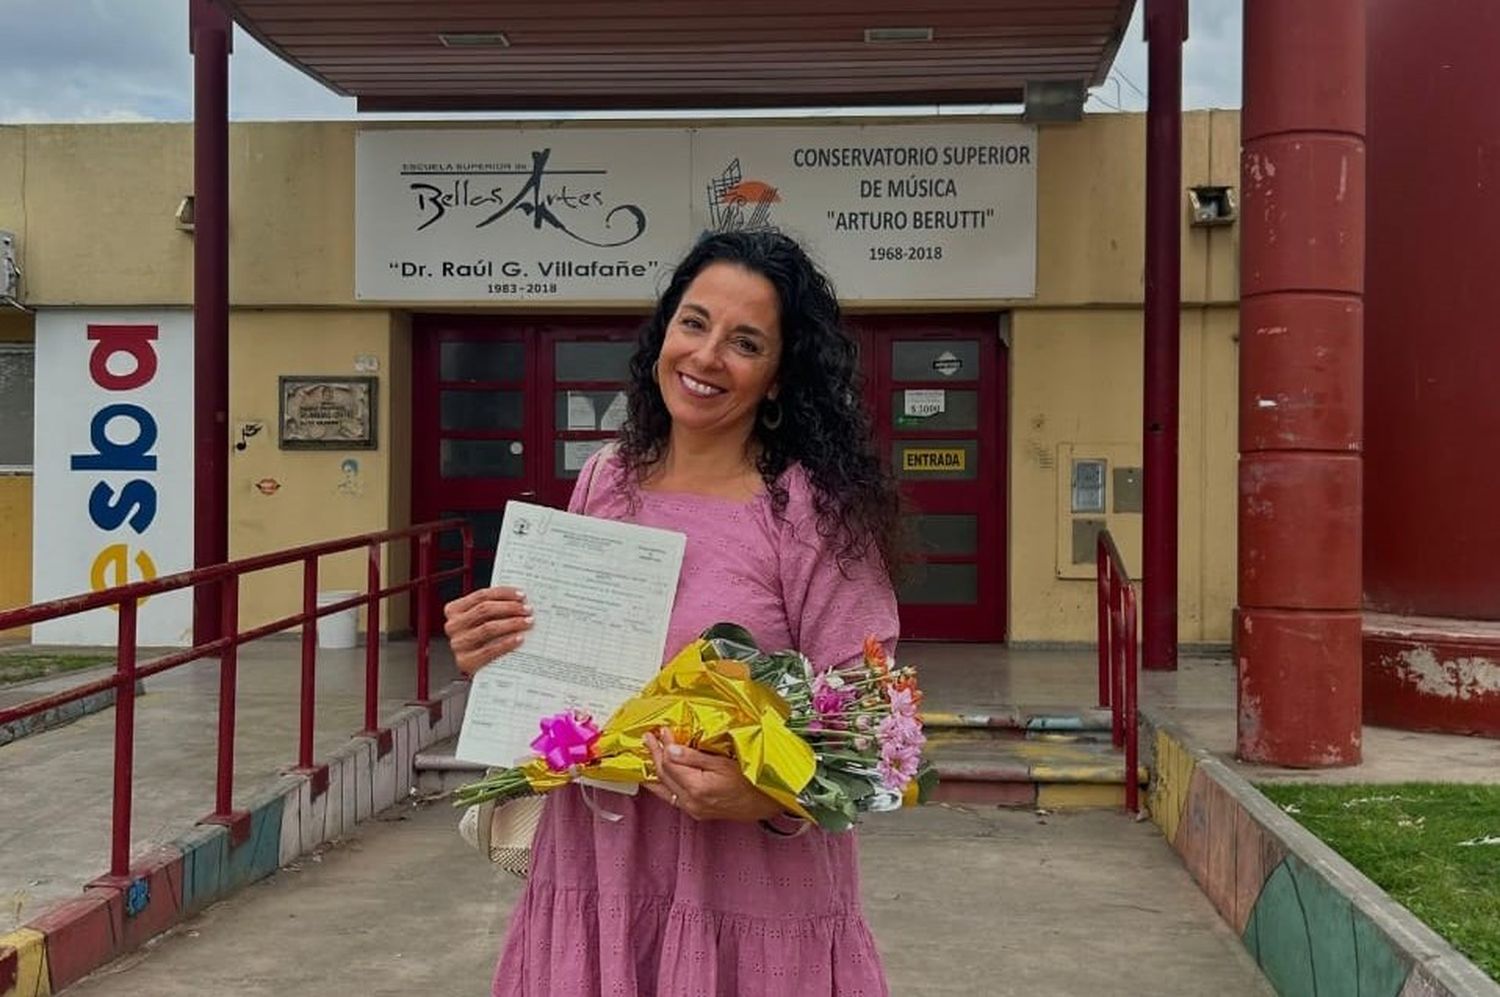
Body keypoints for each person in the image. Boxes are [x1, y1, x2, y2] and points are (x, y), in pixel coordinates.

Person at [443, 228, 904, 996]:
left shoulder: (809, 514)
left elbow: (874, 728)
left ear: (780, 376)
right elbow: (570, 663)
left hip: (747, 881)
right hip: (598, 862)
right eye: (694, 323)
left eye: (745, 341)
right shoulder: (605, 478)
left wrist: (761, 792)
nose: (706, 356)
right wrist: (497, 650)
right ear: (665, 331)